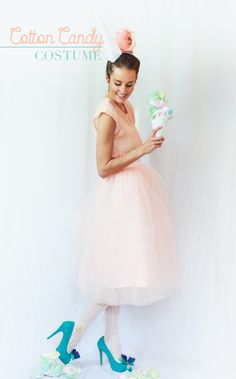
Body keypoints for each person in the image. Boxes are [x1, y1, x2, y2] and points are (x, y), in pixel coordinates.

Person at [47, 33, 180, 375]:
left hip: (133, 195)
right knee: (112, 278)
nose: (123, 91)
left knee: (118, 276)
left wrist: (147, 143)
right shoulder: (106, 112)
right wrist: (142, 150)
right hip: (117, 199)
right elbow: (103, 168)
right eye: (118, 83)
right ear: (107, 77)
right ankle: (71, 338)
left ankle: (111, 345)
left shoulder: (128, 106)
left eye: (130, 85)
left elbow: (128, 148)